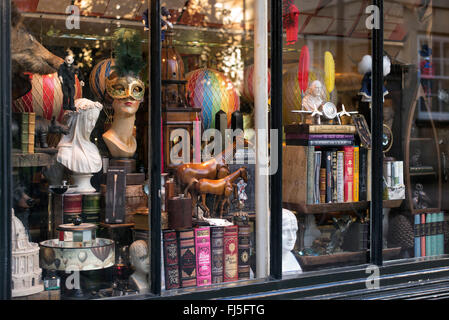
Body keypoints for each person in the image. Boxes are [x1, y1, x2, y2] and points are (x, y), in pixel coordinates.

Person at [282, 209, 302, 273]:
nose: (291, 237)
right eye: (285, 231)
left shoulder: (292, 258)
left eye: (294, 231)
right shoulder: (263, 263)